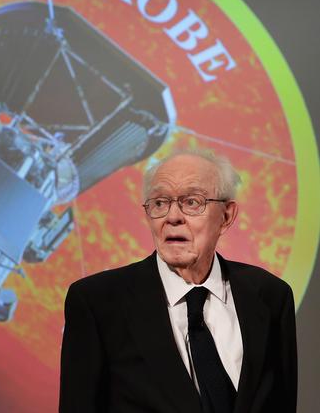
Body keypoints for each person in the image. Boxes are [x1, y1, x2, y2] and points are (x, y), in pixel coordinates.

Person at [59, 149, 297, 413]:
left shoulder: (270, 295)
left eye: (192, 202)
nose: (172, 217)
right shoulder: (98, 302)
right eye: (160, 203)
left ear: (226, 216)